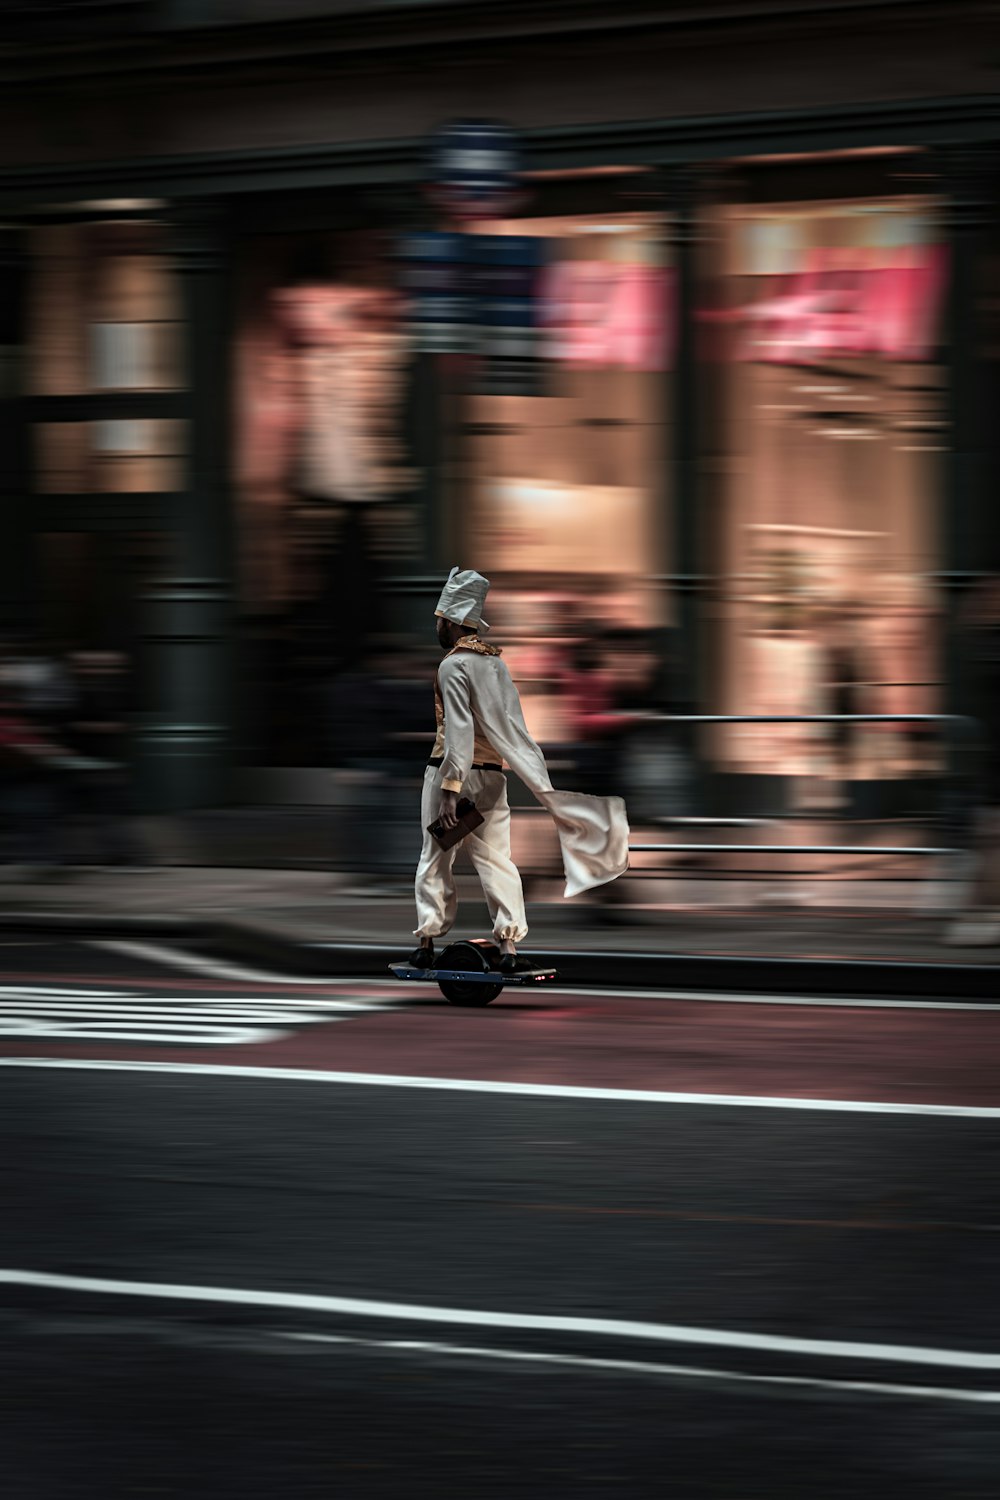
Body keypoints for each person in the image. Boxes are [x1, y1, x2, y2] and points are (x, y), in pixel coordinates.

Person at [412, 567, 629, 973]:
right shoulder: (494, 664)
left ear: (453, 621)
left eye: (440, 619)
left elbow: (459, 730)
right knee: (497, 860)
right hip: (493, 777)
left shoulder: (452, 666)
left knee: (436, 856)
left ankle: (426, 942)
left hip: (452, 776)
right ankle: (509, 948)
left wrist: (450, 788)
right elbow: (511, 725)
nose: (437, 626)